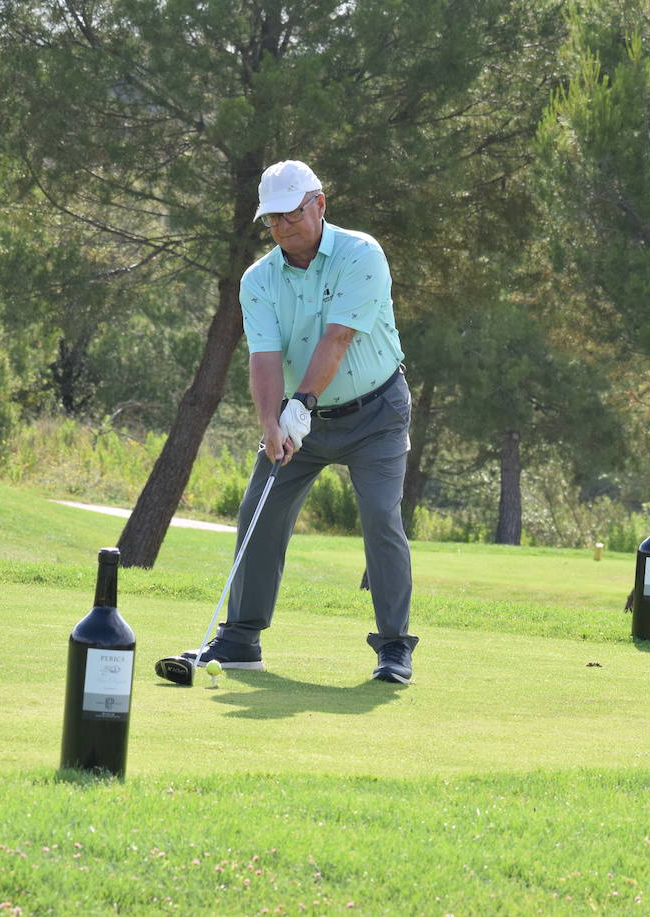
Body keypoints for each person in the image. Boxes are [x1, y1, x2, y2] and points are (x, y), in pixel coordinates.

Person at [181, 160, 417, 684]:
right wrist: (271, 422)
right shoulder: (259, 279)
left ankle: (395, 645)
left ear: (320, 204)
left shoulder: (361, 255)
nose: (284, 226)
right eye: (273, 219)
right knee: (257, 512)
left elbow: (338, 338)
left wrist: (301, 405)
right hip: (299, 417)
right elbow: (263, 357)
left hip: (376, 412)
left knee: (381, 516)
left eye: (293, 213)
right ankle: (240, 639)